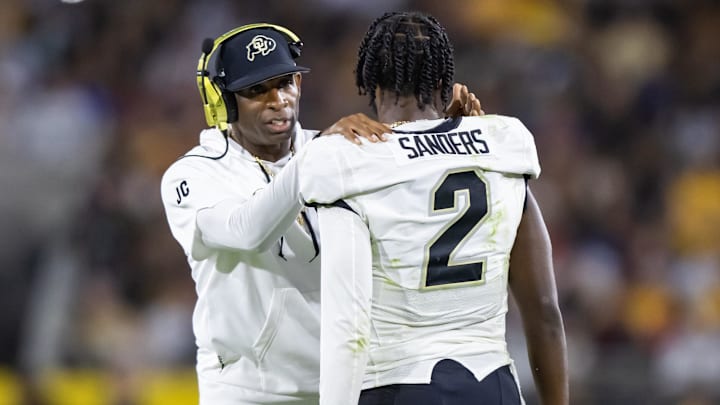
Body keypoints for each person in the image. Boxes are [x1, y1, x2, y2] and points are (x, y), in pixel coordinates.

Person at [160, 23, 482, 404]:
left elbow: (413, 216)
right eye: (254, 91)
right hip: (247, 392)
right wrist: (320, 157)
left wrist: (448, 135)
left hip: (344, 386)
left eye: (284, 83)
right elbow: (245, 229)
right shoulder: (194, 173)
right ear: (222, 102)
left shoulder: (332, 149)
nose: (277, 99)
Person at [295, 11, 569, 405]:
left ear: (371, 83)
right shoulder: (504, 142)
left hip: (396, 383)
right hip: (492, 385)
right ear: (444, 82)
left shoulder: (343, 157)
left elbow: (336, 310)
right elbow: (545, 311)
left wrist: (324, 138)